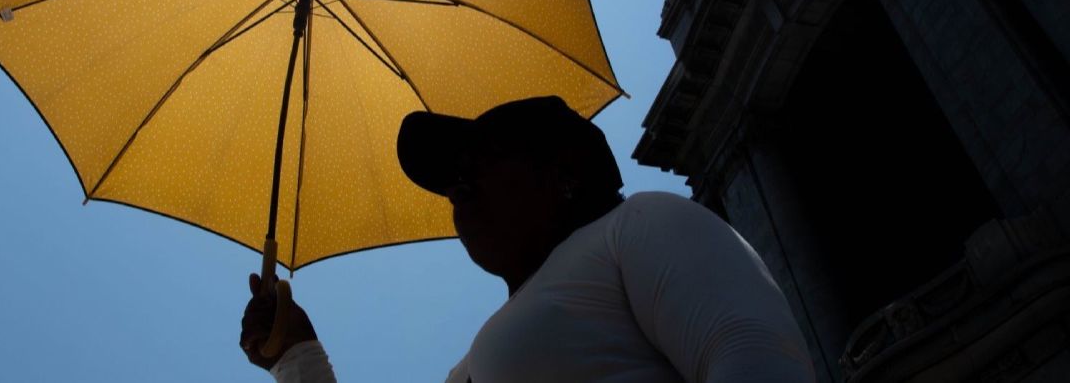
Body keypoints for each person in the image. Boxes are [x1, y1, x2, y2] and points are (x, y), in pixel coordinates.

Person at [241, 96, 815, 382]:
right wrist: (296, 353)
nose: (457, 189)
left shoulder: (640, 225)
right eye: (449, 185)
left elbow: (752, 356)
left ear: (562, 174)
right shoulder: (466, 366)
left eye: (479, 164)